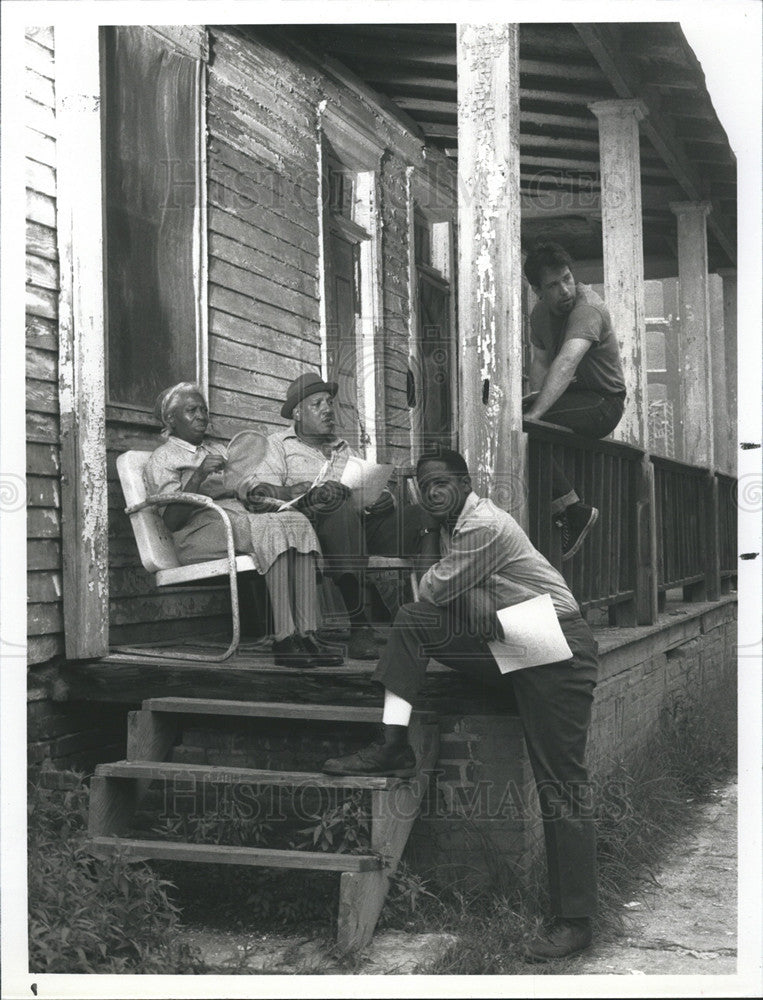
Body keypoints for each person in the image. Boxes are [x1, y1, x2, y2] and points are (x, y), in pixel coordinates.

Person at [321, 446, 599, 961]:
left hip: (556, 644)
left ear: (465, 481)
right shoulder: (452, 528)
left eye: (442, 481)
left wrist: (449, 580)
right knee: (412, 623)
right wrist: (454, 584)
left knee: (561, 782)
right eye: (424, 485)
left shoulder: (481, 527)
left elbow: (432, 587)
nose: (432, 491)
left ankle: (575, 921)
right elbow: (437, 603)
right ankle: (392, 743)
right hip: (516, 635)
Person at [233, 371, 431, 660]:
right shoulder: (278, 445)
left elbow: (364, 483)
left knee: (423, 516)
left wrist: (382, 499)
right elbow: (260, 494)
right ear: (298, 413)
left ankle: (434, 614)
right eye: (317, 404)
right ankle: (360, 626)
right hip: (311, 530)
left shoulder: (341, 447)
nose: (328, 410)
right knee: (338, 510)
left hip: (359, 524)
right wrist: (309, 494)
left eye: (329, 403)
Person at [143, 382, 343, 668]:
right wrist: (199, 476)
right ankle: (285, 638)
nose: (201, 415)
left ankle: (307, 634)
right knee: (270, 528)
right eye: (191, 410)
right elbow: (172, 521)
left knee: (295, 521)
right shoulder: (162, 459)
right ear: (171, 420)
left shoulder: (216, 450)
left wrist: (284, 493)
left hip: (233, 522)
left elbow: (245, 489)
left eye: (203, 409)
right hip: (196, 535)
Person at [523, 241, 626, 559]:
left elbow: (566, 362)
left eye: (567, 278)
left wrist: (536, 415)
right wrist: (533, 406)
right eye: (553, 285)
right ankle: (560, 509)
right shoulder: (539, 315)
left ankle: (571, 508)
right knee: (518, 421)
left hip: (603, 403)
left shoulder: (588, 308)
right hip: (571, 399)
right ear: (538, 291)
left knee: (527, 425)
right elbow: (541, 364)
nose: (564, 290)